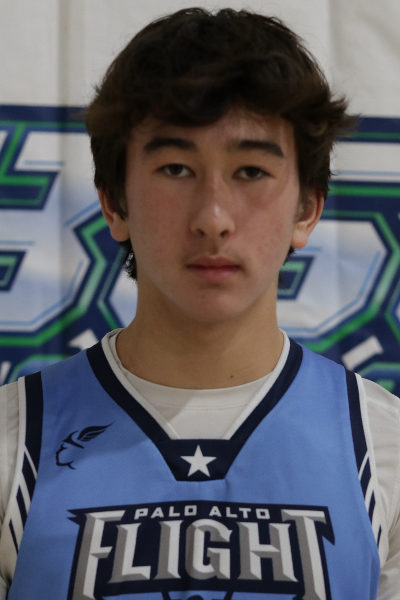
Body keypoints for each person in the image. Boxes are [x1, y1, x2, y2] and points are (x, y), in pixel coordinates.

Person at [0, 7, 399, 600]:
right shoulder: (12, 444)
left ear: (308, 209)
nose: (213, 218)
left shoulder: (385, 448)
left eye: (250, 171)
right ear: (114, 203)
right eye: (176, 168)